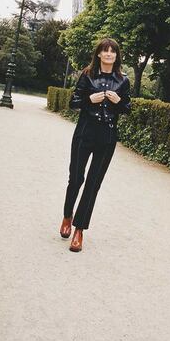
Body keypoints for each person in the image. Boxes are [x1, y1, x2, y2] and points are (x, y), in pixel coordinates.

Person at [60, 37, 131, 252]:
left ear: (117, 56)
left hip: (107, 138)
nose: (109, 54)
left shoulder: (123, 80)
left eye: (113, 51)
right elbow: (73, 102)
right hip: (85, 133)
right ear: (99, 54)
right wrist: (89, 100)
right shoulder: (87, 75)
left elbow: (127, 109)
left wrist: (119, 102)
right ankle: (66, 215)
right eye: (105, 50)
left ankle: (79, 230)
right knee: (76, 179)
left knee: (93, 184)